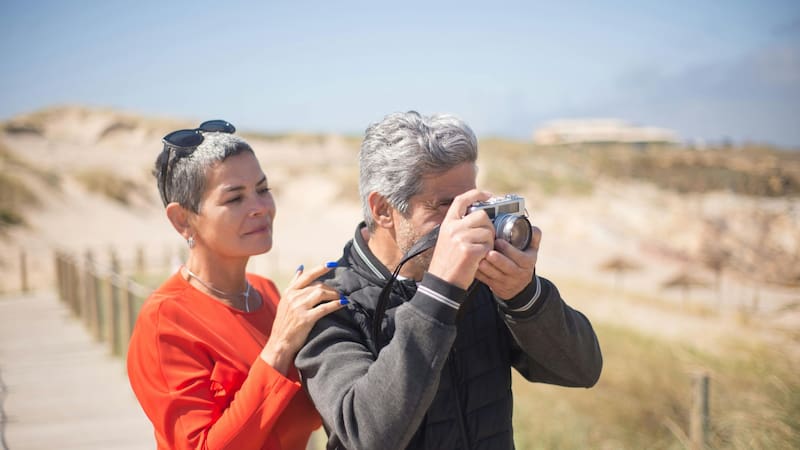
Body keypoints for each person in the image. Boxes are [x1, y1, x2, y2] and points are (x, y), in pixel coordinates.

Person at [295, 111, 603, 450]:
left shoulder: (480, 279)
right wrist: (439, 293)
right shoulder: (328, 303)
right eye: (443, 206)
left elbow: (581, 370)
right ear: (383, 209)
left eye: (470, 205)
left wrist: (524, 296)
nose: (463, 223)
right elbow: (364, 436)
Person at [127, 120, 348, 450]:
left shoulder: (268, 293)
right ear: (182, 220)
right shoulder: (166, 322)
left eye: (262, 189)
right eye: (235, 199)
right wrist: (279, 347)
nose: (260, 208)